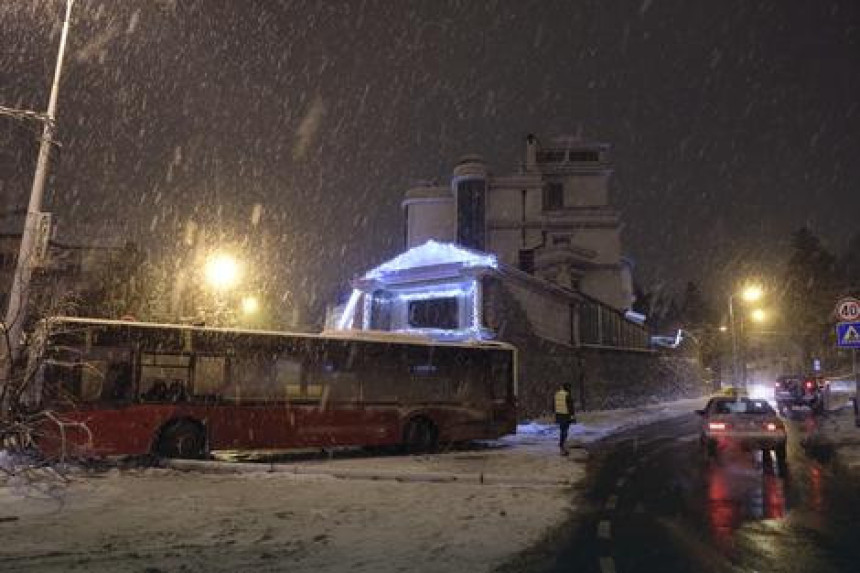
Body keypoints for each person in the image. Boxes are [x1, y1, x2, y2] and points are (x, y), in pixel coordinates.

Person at [554, 383, 576, 456]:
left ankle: (562, 445)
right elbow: (571, 407)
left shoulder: (556, 394)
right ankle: (563, 446)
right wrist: (572, 416)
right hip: (566, 415)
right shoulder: (567, 395)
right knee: (565, 430)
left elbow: (553, 405)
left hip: (559, 415)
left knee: (562, 430)